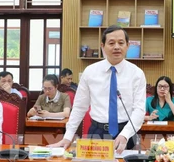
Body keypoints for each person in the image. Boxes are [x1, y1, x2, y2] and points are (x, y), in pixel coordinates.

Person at [50, 25, 147, 154]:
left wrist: (125, 134)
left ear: (127, 46)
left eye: (121, 43)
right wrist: (68, 136)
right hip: (97, 133)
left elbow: (139, 110)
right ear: (102, 46)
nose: (116, 47)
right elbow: (79, 107)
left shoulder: (137, 74)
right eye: (111, 43)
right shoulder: (90, 72)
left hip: (126, 133)